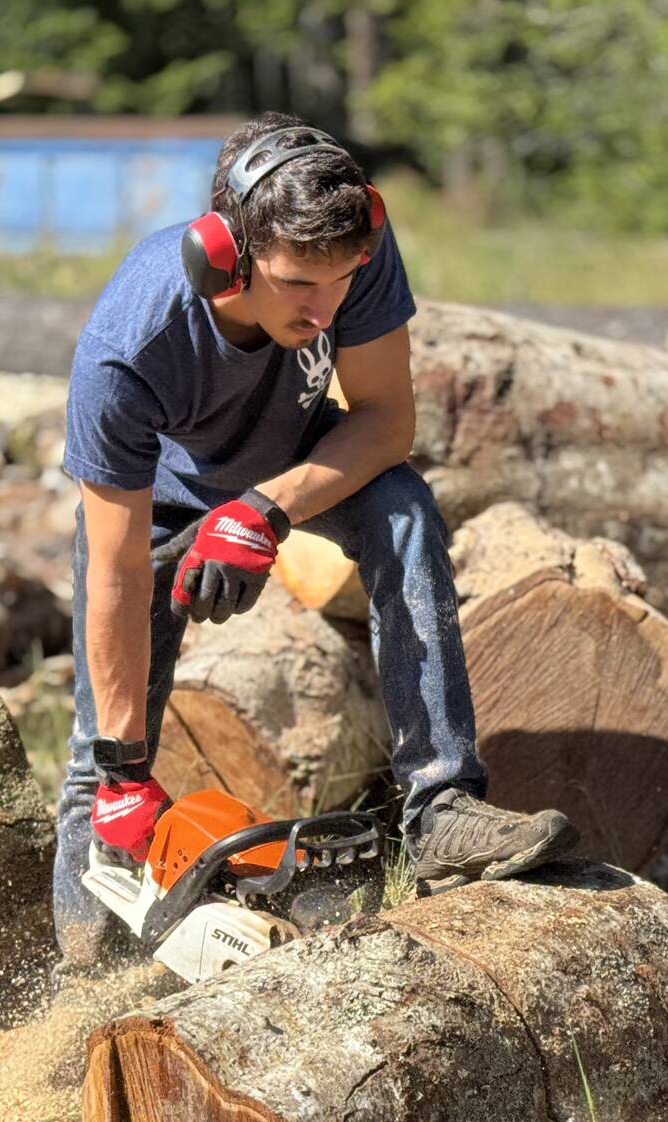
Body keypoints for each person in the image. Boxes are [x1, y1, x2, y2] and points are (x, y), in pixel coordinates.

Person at [54, 111, 578, 968]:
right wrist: (122, 771)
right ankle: (86, 984)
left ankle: (441, 808)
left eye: (342, 280)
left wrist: (262, 510)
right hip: (157, 502)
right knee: (101, 765)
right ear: (223, 255)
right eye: (300, 283)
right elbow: (114, 571)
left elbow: (384, 421)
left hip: (287, 460)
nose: (326, 305)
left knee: (401, 507)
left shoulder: (350, 249)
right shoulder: (129, 349)